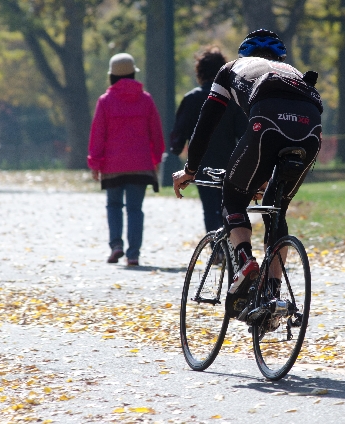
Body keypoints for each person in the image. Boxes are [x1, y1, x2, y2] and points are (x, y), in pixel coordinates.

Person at [172, 29, 322, 315]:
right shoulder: (292, 72)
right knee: (278, 210)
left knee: (234, 196)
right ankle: (273, 297)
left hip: (267, 122)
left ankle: (245, 264)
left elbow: (206, 124)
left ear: (244, 55)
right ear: (279, 57)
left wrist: (190, 169)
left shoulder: (230, 70)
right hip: (311, 131)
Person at [87, 53, 165, 266]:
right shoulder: (146, 100)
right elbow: (156, 133)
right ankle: (133, 254)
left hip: (112, 165)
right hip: (140, 165)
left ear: (111, 76)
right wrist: (156, 158)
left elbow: (98, 135)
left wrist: (95, 162)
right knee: (135, 209)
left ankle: (116, 245)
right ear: (133, 73)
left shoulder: (105, 101)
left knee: (113, 205)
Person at [170, 47, 248, 234]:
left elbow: (179, 131)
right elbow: (243, 130)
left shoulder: (191, 98)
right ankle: (230, 243)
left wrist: (177, 147)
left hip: (200, 163)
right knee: (228, 205)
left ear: (200, 71)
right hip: (229, 161)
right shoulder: (232, 99)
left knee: (209, 207)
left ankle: (216, 247)